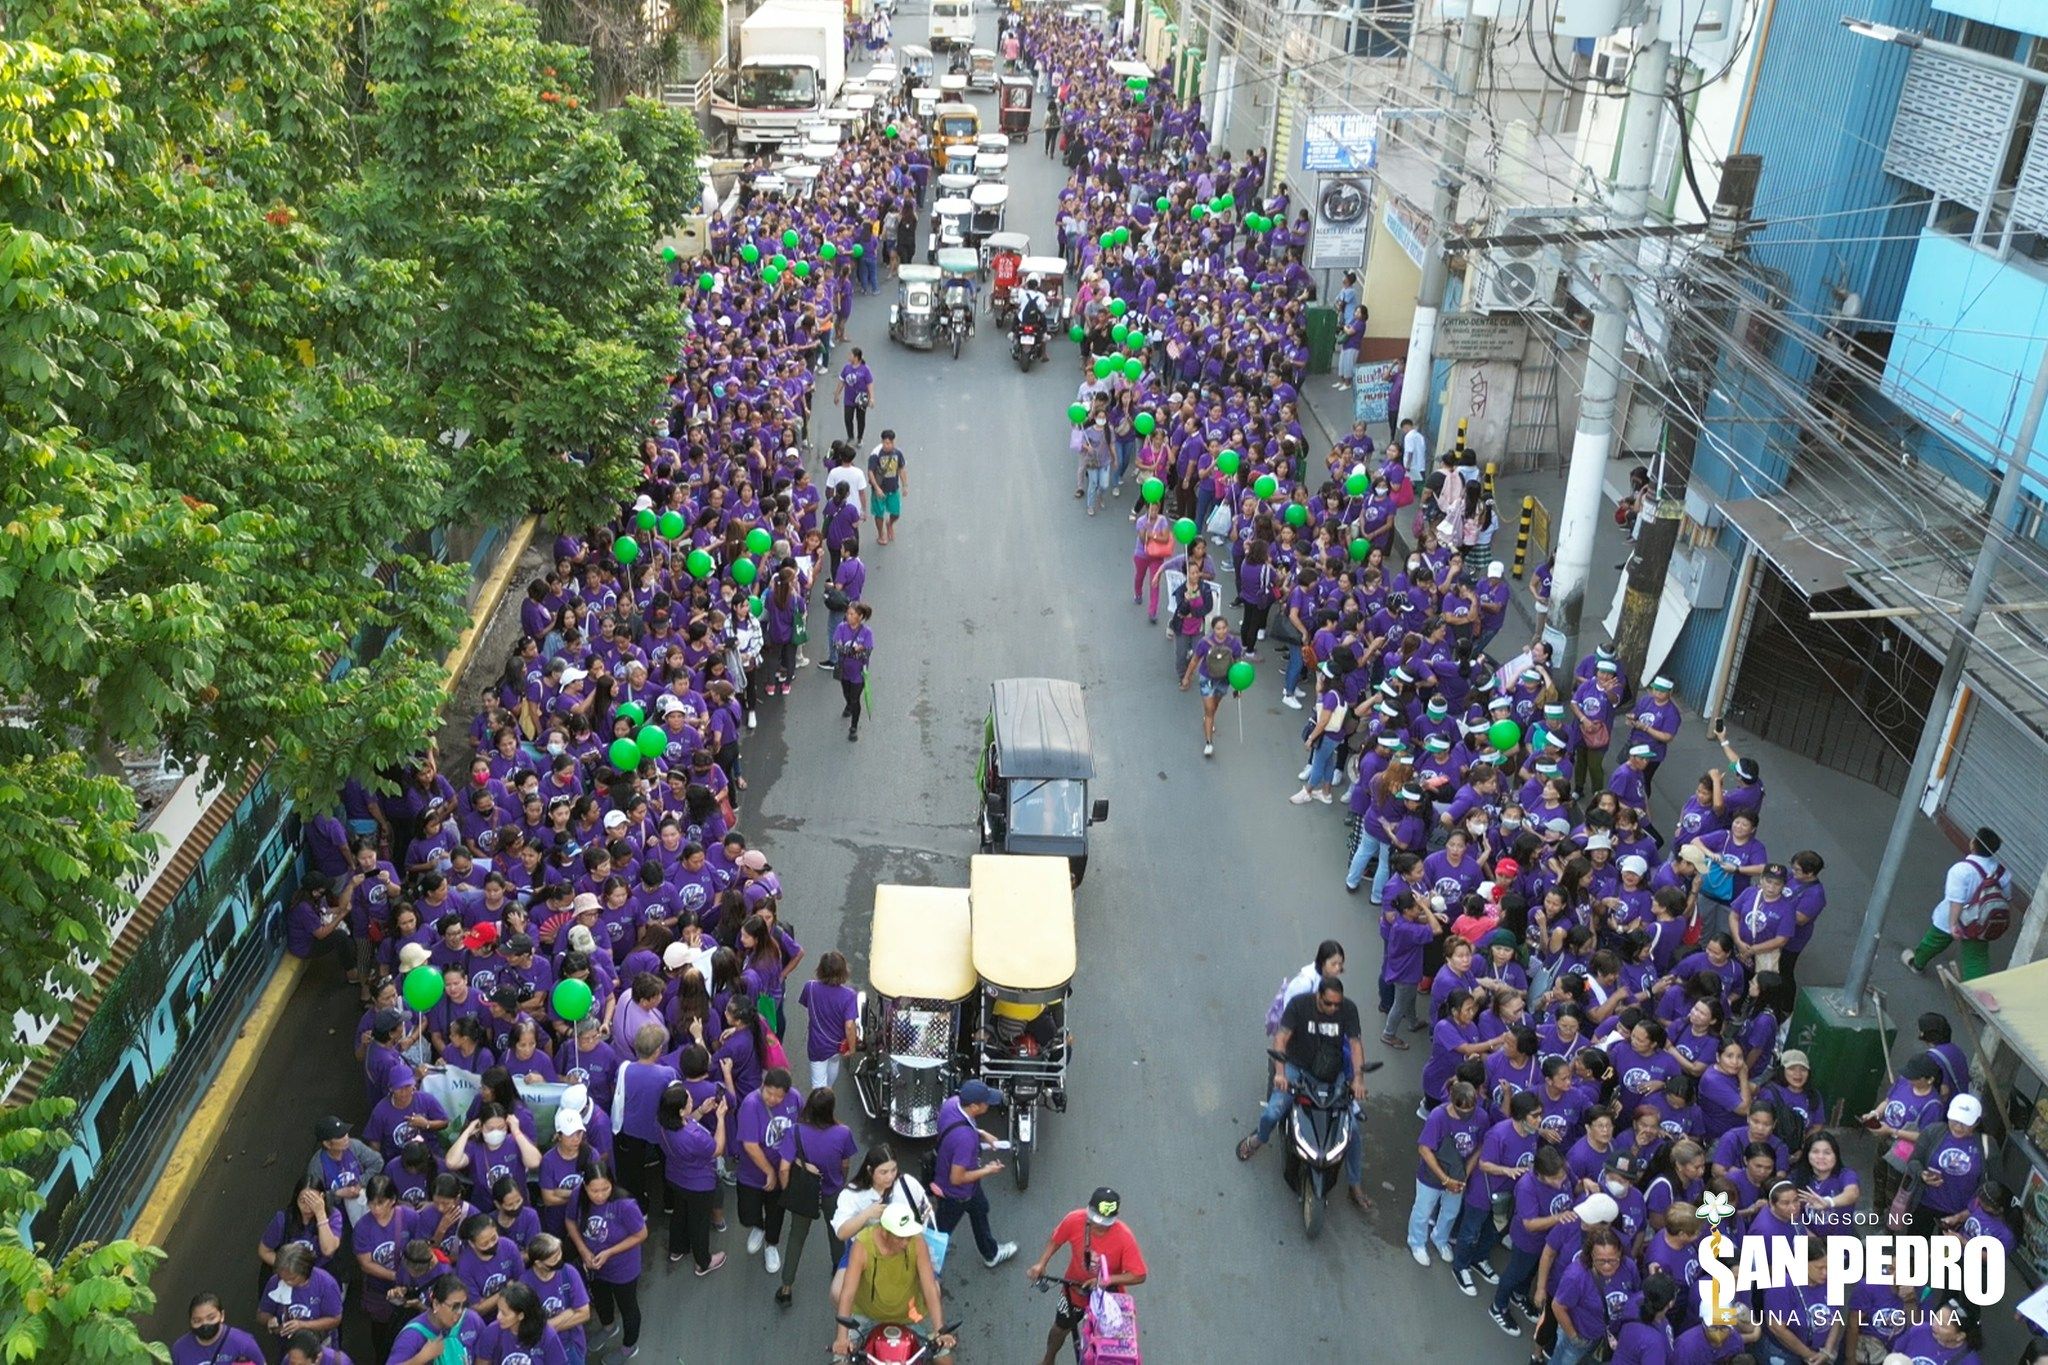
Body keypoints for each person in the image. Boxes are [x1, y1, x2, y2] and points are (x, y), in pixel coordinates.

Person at [1235, 974, 1376, 1213]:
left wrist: (1358, 1080)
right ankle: (1259, 1138)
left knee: (1352, 1130)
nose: (1333, 1009)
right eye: (1328, 1004)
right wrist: (1280, 1073)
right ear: (1318, 996)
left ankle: (1355, 1185)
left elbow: (1354, 1044)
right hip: (1297, 1068)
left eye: (1336, 1004)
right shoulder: (1300, 1005)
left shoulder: (1348, 1009)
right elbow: (1280, 1039)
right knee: (1273, 1111)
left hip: (1332, 1074)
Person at [1026, 1187, 1149, 1365]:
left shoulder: (1125, 1237)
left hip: (1106, 1300)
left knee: (1107, 1348)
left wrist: (1106, 1280)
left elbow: (1139, 1275)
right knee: (1059, 1329)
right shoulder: (1074, 1219)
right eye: (1096, 1220)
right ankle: (1048, 1359)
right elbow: (1056, 1239)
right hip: (1073, 1291)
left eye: (1105, 1223)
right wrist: (1041, 1263)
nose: (1099, 1226)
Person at [831, 1203, 950, 1361]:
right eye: (900, 1237)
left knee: (944, 1358)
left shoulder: (917, 1242)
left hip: (912, 1316)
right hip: (866, 1315)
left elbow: (929, 1288)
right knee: (840, 1360)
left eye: (908, 1236)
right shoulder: (862, 1245)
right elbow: (848, 1292)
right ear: (884, 1231)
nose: (906, 1242)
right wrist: (842, 1338)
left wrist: (939, 1330)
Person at [929, 1078, 1018, 1270]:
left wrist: (981, 1133)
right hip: (957, 1193)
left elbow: (956, 1124)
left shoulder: (951, 1103)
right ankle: (925, 1261)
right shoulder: (965, 1140)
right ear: (974, 1106)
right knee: (940, 1230)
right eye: (986, 1102)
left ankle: (991, 1253)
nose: (989, 1104)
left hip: (968, 1187)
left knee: (980, 1209)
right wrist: (988, 1170)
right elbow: (957, 1178)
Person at [1903, 827, 2009, 981]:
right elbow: (2005, 899)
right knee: (1976, 959)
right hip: (1980, 921)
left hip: (1951, 918)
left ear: (1973, 844)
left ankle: (1917, 964)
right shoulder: (2003, 873)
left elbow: (1956, 901)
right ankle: (1976, 996)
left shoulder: (1961, 870)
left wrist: (1953, 925)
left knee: (1933, 942)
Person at [1180, 614, 1243, 758]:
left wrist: (1239, 687)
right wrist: (1186, 677)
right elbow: (1195, 660)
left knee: (1214, 706)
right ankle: (1209, 743)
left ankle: (1209, 719)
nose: (1222, 631)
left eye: (1224, 628)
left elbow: (1239, 664)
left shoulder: (1234, 643)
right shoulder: (1204, 642)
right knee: (1209, 710)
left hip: (1224, 679)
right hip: (1207, 678)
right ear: (1213, 629)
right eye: (1218, 628)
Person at [170, 1291, 266, 1365]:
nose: (205, 1324)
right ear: (190, 1321)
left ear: (222, 1315)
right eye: (197, 1321)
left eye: (211, 1318)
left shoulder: (243, 1342)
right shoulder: (179, 1349)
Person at [832, 602, 875, 742]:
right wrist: (854, 650)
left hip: (858, 673)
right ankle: (848, 705)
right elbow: (836, 646)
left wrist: (853, 651)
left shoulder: (867, 632)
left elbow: (867, 653)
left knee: (855, 699)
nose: (848, 616)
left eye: (852, 614)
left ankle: (853, 727)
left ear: (860, 616)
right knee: (846, 693)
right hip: (844, 670)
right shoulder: (841, 628)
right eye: (847, 613)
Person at [866, 430, 908, 545]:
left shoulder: (898, 453)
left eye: (889, 443)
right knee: (879, 514)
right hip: (879, 490)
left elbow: (901, 469)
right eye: (885, 443)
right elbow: (870, 472)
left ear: (893, 442)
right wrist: (877, 488)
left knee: (896, 513)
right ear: (882, 441)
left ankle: (889, 524)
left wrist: (905, 485)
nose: (887, 445)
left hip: (893, 488)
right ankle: (881, 534)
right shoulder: (875, 454)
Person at [834, 348, 875, 443]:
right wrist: (837, 394)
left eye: (850, 355)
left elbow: (869, 383)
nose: (848, 357)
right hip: (849, 398)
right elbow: (842, 382)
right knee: (848, 418)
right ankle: (850, 436)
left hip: (861, 398)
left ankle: (860, 437)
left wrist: (871, 398)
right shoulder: (846, 368)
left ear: (856, 357)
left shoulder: (865, 369)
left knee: (860, 419)